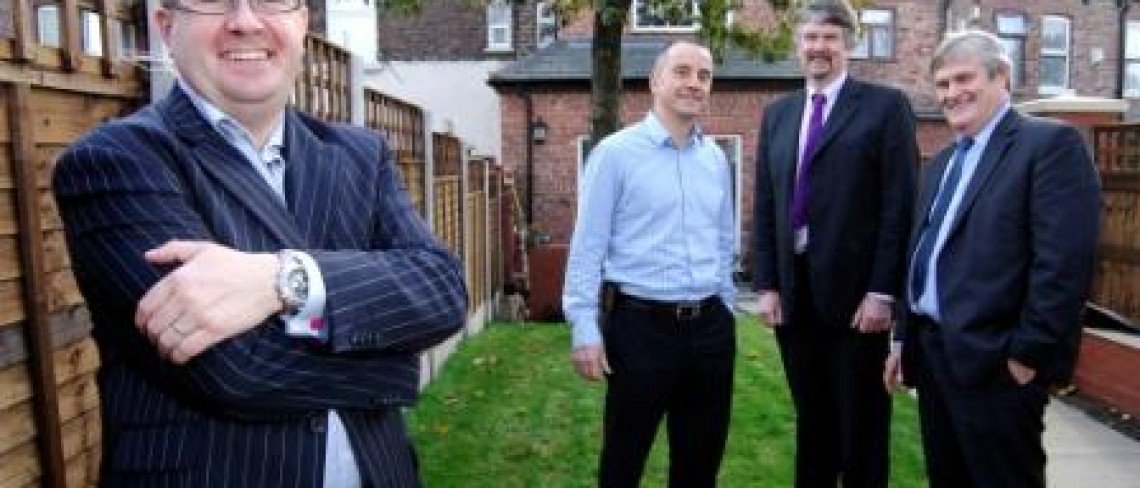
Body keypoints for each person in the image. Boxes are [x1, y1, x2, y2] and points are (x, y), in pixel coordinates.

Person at [51, 0, 467, 486]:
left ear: (302, 23)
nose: (245, 21)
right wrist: (394, 366)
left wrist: (283, 279)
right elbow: (234, 371)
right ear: (166, 26)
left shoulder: (360, 155)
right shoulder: (116, 161)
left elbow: (442, 290)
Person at [883, 29, 1100, 488]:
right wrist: (903, 339)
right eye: (942, 85)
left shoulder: (1049, 147)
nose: (951, 94)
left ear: (1002, 76)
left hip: (998, 366)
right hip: (936, 357)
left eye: (964, 79)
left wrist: (1027, 355)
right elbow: (921, 255)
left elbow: (1063, 265)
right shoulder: (940, 164)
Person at [751, 1, 918, 486]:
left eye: (830, 37)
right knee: (813, 421)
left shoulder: (886, 107)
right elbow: (766, 204)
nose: (819, 47)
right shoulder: (778, 114)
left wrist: (883, 291)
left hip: (857, 301)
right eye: (810, 38)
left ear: (849, 45)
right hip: (795, 296)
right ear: (797, 46)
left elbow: (899, 206)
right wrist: (767, 283)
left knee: (861, 427)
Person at [562, 40, 737, 488]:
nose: (694, 83)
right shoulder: (615, 154)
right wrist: (584, 326)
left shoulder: (716, 159)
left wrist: (727, 305)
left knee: (700, 465)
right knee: (624, 460)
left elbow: (721, 239)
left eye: (704, 75)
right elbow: (587, 247)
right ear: (655, 81)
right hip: (640, 329)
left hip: (710, 330)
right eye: (682, 72)